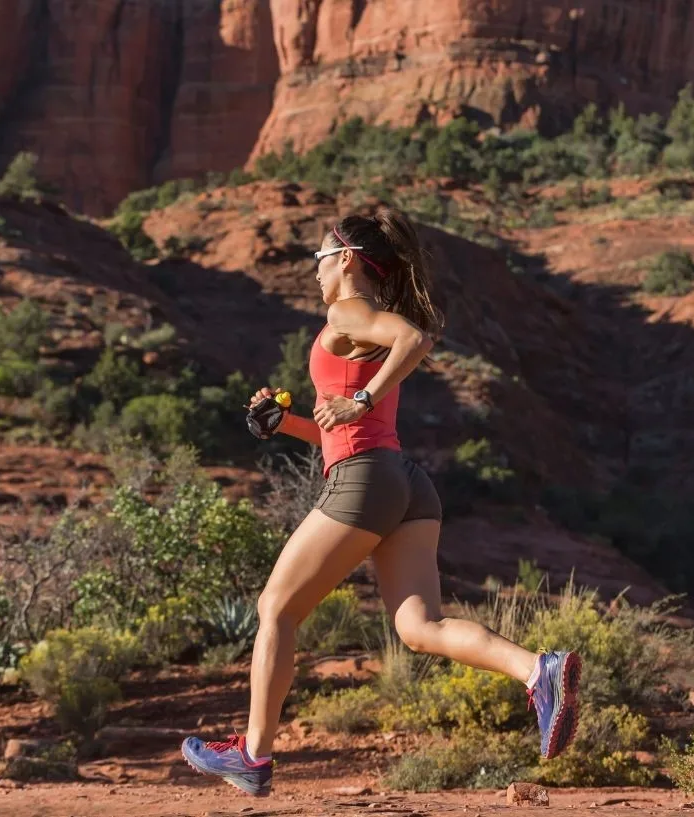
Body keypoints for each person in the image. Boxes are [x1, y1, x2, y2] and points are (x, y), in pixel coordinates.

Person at [179, 208, 581, 796]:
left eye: (318, 259)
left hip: (366, 480)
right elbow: (336, 431)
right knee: (422, 626)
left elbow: (415, 340)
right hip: (403, 483)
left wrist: (360, 399)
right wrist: (284, 423)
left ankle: (252, 755)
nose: (314, 272)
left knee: (276, 609)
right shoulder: (357, 327)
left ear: (344, 259)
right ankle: (536, 670)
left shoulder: (346, 311)